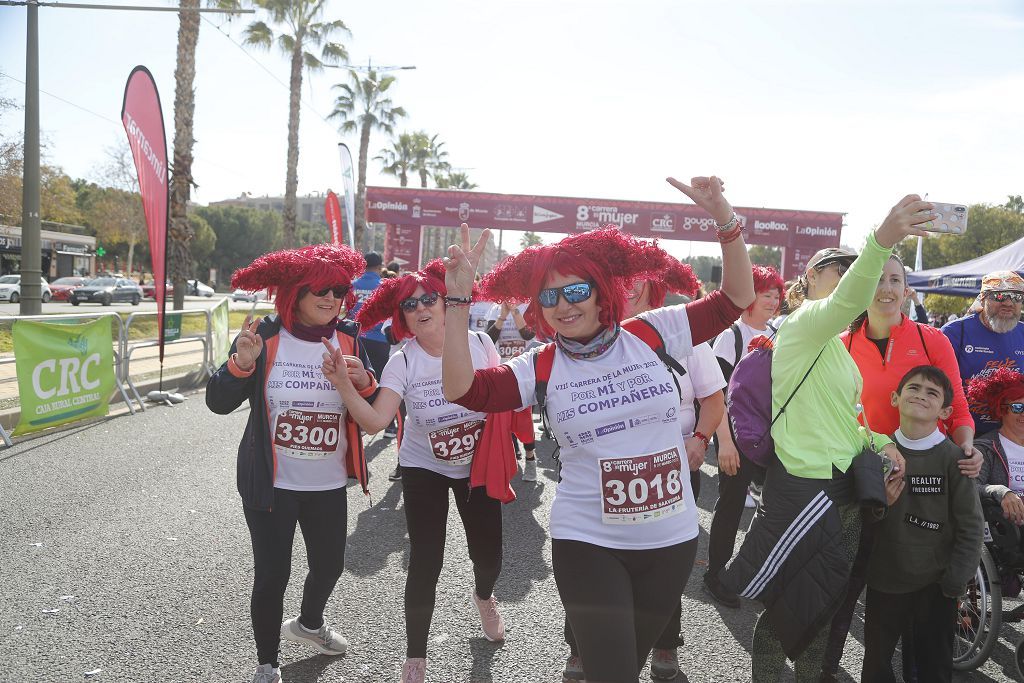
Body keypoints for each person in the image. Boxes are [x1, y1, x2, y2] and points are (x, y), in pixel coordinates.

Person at [442, 175, 756, 683]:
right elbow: (463, 389)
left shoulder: (654, 331)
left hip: (670, 539)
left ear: (602, 291)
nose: (564, 305)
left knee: (625, 667)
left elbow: (734, 299)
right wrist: (457, 303)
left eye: (577, 290)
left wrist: (725, 219)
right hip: (587, 539)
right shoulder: (540, 367)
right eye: (550, 297)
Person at [720, 195, 935, 681]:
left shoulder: (836, 347)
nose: (847, 273)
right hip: (803, 493)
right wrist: (880, 241)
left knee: (823, 608)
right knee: (782, 611)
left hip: (843, 496)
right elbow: (847, 301)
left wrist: (883, 445)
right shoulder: (801, 327)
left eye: (852, 266)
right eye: (834, 267)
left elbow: (850, 421)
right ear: (809, 281)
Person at [319, 260, 506, 683]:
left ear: (446, 303)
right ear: (401, 316)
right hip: (425, 468)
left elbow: (501, 398)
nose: (420, 308)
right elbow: (375, 422)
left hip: (476, 467)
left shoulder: (479, 344)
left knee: (489, 556)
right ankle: (416, 655)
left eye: (429, 299)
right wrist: (345, 386)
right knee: (426, 560)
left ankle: (483, 596)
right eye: (409, 304)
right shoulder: (403, 362)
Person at [206, 244, 378, 683]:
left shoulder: (349, 337)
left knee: (329, 566)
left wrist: (362, 380)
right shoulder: (262, 335)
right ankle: (268, 661)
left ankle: (310, 624)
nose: (331, 298)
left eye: (339, 289)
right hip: (272, 483)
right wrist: (241, 365)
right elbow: (218, 402)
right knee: (272, 574)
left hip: (327, 482)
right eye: (320, 288)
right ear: (295, 293)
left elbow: (374, 406)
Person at [821, 252, 982, 680]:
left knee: (922, 608)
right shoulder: (839, 344)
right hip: (862, 477)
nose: (886, 289)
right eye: (876, 279)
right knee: (854, 588)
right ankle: (825, 668)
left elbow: (958, 408)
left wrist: (966, 449)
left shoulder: (933, 340)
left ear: (907, 287)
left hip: (929, 474)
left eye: (895, 279)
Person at [562, 261, 724, 682]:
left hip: (671, 471)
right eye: (618, 280)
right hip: (599, 484)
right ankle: (582, 647)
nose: (628, 288)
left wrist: (700, 440)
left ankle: (664, 643)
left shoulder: (682, 334)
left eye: (637, 281)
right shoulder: (583, 339)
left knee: (663, 571)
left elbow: (714, 400)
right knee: (591, 570)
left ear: (654, 287)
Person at [861, 366, 983, 683]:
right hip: (884, 580)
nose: (920, 395)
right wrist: (879, 507)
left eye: (932, 392)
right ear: (894, 397)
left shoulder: (957, 460)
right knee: (876, 666)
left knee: (933, 669)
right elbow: (860, 518)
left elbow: (971, 528)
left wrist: (954, 583)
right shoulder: (877, 453)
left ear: (945, 411)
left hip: (936, 586)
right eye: (913, 388)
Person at [704, 265, 784, 609]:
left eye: (777, 294)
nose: (773, 300)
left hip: (772, 436)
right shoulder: (730, 335)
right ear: (748, 297)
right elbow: (714, 393)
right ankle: (716, 575)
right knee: (732, 506)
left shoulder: (779, 332)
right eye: (766, 293)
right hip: (735, 437)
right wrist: (723, 442)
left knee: (775, 508)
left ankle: (757, 573)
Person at [943, 270, 1024, 435]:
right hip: (962, 434)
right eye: (1000, 296)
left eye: (1017, 297)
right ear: (983, 298)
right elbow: (937, 386)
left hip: (1012, 437)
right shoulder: (955, 332)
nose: (1009, 303)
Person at [970, 368, 1024, 563]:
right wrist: (1001, 491)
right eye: (1018, 407)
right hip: (1007, 524)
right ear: (1002, 409)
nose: (1023, 414)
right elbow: (971, 487)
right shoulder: (985, 447)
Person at [487, 301, 541, 479]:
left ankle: (530, 458)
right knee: (503, 419)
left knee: (524, 421)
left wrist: (516, 311)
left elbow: (528, 335)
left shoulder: (529, 307)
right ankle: (511, 455)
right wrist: (502, 316)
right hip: (502, 372)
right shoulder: (495, 309)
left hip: (525, 372)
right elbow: (489, 340)